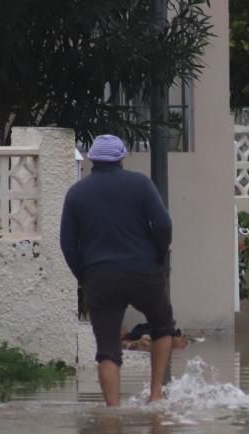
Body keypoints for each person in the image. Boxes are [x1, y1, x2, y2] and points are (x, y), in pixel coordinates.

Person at [60, 134, 175, 405]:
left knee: (108, 349)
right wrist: (157, 258)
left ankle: (112, 412)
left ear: (92, 160)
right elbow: (163, 225)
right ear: (122, 157)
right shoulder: (141, 185)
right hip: (144, 271)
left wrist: (85, 274)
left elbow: (67, 244)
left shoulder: (77, 193)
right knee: (163, 325)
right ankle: (156, 393)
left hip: (99, 277)